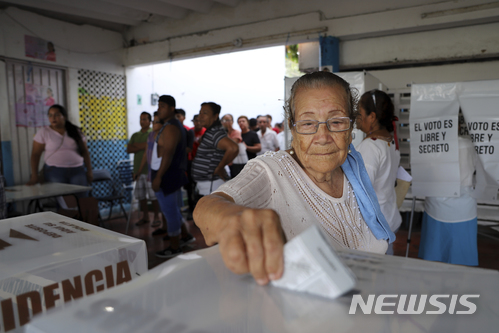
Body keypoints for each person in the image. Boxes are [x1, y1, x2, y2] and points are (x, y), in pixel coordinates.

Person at [193, 71, 395, 285]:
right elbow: (207, 207)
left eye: (336, 122)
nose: (323, 137)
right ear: (292, 126)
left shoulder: (353, 168)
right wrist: (233, 220)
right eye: (308, 123)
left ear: (351, 125)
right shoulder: (272, 170)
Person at [419, 128, 478, 266]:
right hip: (464, 207)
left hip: (436, 207)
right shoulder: (471, 144)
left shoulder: (431, 144)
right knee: (462, 265)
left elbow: (424, 170)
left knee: (434, 263)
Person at [355, 89, 402, 255]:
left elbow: (361, 191)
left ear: (372, 117)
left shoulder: (371, 147)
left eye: (359, 112)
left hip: (374, 228)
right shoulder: (390, 142)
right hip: (388, 218)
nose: (356, 116)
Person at [151, 95, 188, 258]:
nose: (159, 109)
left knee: (169, 212)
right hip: (167, 174)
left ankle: (175, 247)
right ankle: (186, 236)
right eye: (158, 106)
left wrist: (158, 177)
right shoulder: (168, 126)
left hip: (167, 176)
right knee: (173, 210)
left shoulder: (172, 127)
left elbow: (168, 153)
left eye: (163, 106)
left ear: (172, 108)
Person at [27, 104, 92, 188]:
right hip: (55, 171)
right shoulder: (44, 132)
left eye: (57, 115)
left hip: (77, 170)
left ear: (64, 116)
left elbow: (84, 151)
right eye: (50, 115)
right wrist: (34, 175)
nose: (53, 118)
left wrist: (89, 170)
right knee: (62, 199)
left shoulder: (75, 131)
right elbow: (35, 154)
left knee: (81, 197)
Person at [191, 102, 239, 197]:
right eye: (200, 113)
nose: (200, 116)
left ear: (215, 116)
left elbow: (233, 148)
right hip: (207, 184)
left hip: (211, 185)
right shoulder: (211, 131)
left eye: (205, 113)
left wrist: (220, 167)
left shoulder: (215, 132)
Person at [128, 112, 161, 227]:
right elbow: (129, 149)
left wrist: (137, 146)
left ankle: (156, 217)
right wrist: (142, 145)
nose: (142, 121)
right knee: (141, 195)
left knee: (153, 196)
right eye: (140, 119)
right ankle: (145, 216)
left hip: (149, 171)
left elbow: (146, 149)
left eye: (145, 119)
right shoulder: (135, 135)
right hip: (138, 170)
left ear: (149, 121)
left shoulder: (152, 134)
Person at [222, 114, 246, 178]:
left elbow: (230, 146)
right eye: (224, 120)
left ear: (232, 122)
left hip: (235, 163)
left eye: (228, 120)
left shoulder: (236, 132)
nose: (226, 122)